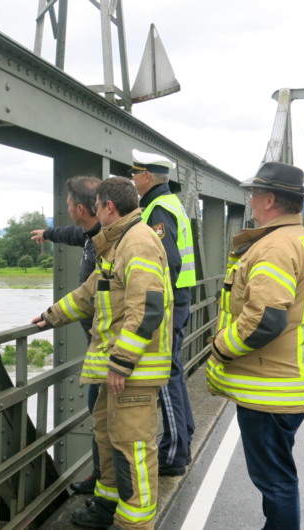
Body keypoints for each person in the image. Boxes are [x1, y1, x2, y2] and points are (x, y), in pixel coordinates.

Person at [32, 176, 172, 530]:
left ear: (110, 207)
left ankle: (135, 525)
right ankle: (105, 508)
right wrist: (51, 317)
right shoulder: (117, 243)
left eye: (96, 208)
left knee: (133, 451)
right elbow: (89, 293)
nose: (93, 213)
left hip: (133, 373)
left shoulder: (138, 242)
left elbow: (148, 307)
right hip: (118, 370)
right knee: (109, 441)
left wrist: (122, 363)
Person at [206, 162, 304, 530]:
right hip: (286, 382)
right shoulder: (295, 239)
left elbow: (266, 319)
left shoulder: (274, 247)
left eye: (254, 194)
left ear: (270, 199)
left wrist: (221, 347)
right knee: (277, 477)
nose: (250, 201)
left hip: (271, 390)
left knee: (275, 482)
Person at [30, 176, 103, 494]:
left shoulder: (108, 243)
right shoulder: (93, 232)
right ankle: (102, 478)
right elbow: (74, 235)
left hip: (109, 349)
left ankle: (107, 488)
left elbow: (88, 295)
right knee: (100, 417)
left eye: (68, 205)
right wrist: (48, 233)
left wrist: (52, 316)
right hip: (101, 345)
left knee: (104, 418)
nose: (66, 210)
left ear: (81, 208)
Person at [130, 149, 197, 477]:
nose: (132, 180)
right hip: (180, 297)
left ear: (145, 176)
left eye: (134, 174)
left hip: (171, 301)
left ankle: (174, 452)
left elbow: (167, 260)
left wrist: (156, 304)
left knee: (166, 371)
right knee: (175, 366)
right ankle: (184, 431)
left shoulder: (157, 209)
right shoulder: (170, 203)